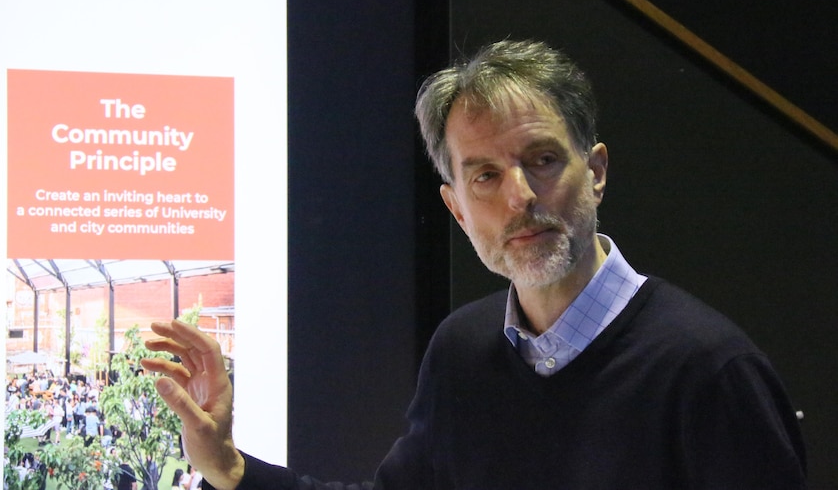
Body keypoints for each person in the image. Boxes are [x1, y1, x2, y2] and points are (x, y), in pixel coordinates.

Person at [142, 40, 807, 489]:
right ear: (457, 208)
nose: (518, 197)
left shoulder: (709, 369)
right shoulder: (463, 351)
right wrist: (228, 464)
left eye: (542, 160)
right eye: (484, 174)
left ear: (596, 171)